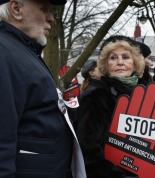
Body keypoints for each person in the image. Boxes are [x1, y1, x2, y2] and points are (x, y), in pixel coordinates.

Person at [75, 35, 155, 178]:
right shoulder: (96, 98)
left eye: (125, 57)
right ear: (105, 65)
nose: (120, 62)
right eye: (113, 58)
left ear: (135, 63)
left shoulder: (151, 96)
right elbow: (89, 152)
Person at [0, 0, 73, 177]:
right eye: (44, 9)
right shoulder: (4, 52)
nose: (51, 18)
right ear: (16, 9)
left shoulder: (20, 50)